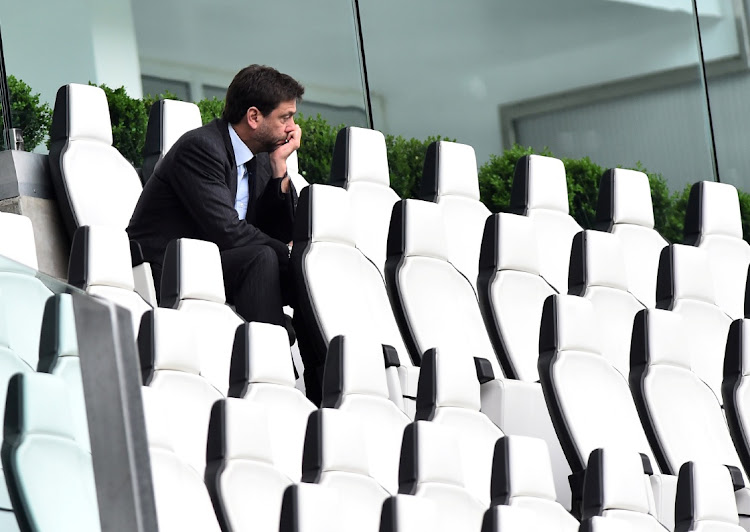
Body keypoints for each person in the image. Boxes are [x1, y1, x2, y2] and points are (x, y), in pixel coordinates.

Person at [127, 64, 304, 332]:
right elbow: (228, 231)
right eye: (285, 118)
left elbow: (278, 232)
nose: (292, 128)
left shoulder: (261, 161)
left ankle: (323, 365)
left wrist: (280, 167)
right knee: (263, 258)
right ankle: (272, 358)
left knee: (309, 273)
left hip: (215, 263)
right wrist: (287, 253)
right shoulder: (201, 149)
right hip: (168, 268)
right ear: (254, 117)